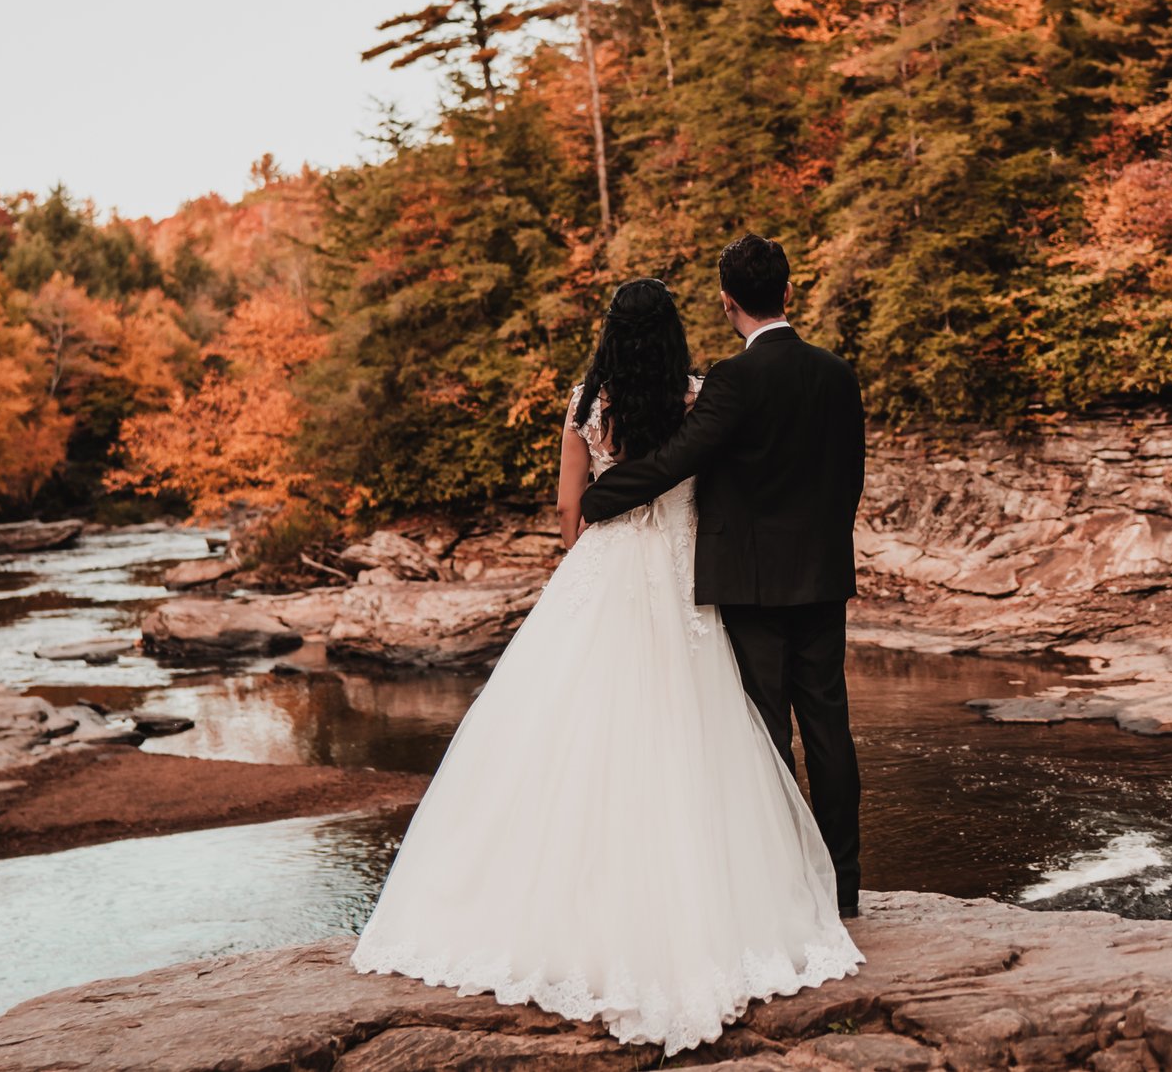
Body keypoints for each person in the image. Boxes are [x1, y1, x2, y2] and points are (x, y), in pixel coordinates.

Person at [350, 269, 859, 1054]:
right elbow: (715, 475)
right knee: (708, 728)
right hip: (690, 575)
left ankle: (558, 906)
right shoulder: (699, 393)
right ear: (680, 329)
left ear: (610, 332)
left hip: (608, 564)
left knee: (570, 727)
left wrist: (584, 554)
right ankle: (791, 891)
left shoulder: (586, 402)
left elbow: (567, 503)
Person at [579, 233, 866, 921]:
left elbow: (679, 457)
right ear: (789, 292)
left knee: (767, 734)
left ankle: (788, 884)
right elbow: (849, 475)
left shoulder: (733, 380)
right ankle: (844, 886)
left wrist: (602, 497)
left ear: (726, 300)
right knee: (829, 728)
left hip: (752, 583)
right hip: (823, 576)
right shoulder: (836, 372)